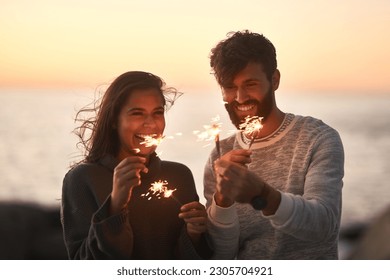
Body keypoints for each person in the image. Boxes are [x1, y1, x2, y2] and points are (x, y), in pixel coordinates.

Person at [204, 30, 344, 259]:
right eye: (229, 87)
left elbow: (322, 225)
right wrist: (222, 201)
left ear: (275, 80)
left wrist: (262, 195)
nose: (239, 98)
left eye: (250, 84)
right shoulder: (219, 157)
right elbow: (223, 256)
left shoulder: (317, 139)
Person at [61, 71, 211, 259]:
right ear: (114, 120)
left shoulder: (179, 175)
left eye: (157, 113)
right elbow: (82, 263)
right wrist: (115, 206)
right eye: (137, 113)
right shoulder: (82, 179)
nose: (150, 124)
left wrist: (194, 234)